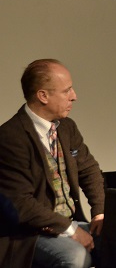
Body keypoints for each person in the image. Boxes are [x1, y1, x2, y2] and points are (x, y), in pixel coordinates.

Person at [0, 59, 105, 268]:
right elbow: (22, 204)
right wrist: (72, 230)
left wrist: (99, 212)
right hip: (29, 235)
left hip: (69, 223)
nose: (74, 96)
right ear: (43, 96)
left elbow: (89, 170)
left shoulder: (66, 127)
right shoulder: (11, 137)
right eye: (67, 91)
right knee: (75, 257)